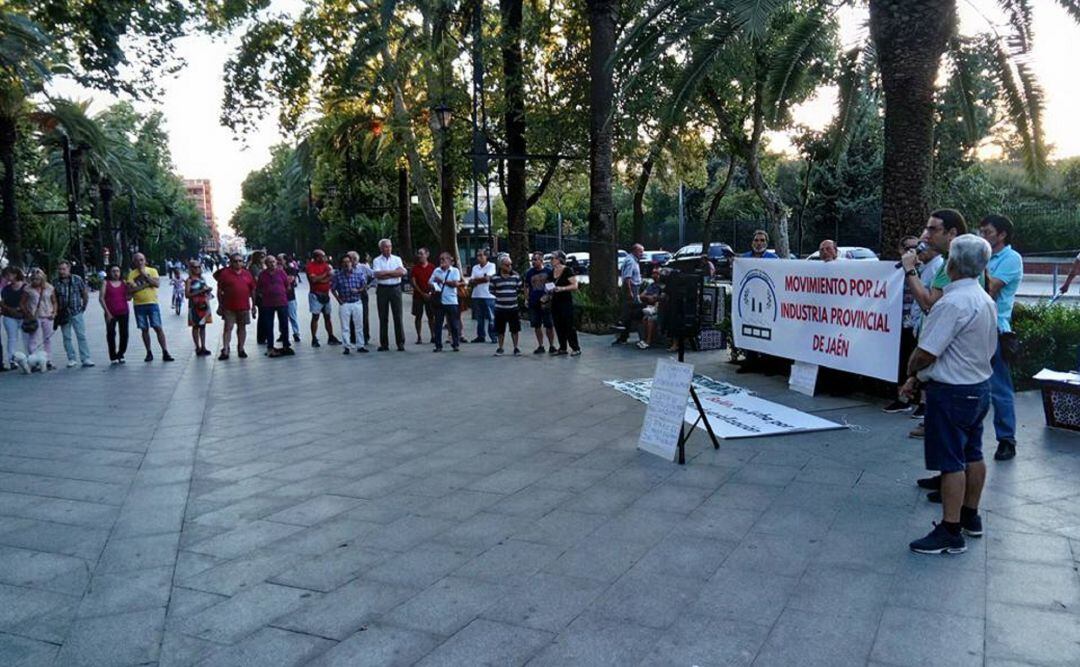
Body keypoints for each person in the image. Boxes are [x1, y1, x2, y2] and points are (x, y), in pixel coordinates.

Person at [900, 234, 997, 555]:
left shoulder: (953, 303)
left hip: (952, 392)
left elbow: (926, 352)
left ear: (952, 264)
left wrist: (913, 373)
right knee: (973, 453)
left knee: (951, 461)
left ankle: (951, 530)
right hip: (978, 388)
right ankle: (970, 517)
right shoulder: (984, 299)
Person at [980, 215, 1023, 461]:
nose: (983, 236)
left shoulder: (1011, 258)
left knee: (1000, 387)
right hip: (974, 328)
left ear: (1002, 234)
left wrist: (976, 263)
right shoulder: (983, 256)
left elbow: (990, 288)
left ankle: (1006, 439)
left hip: (996, 328)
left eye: (987, 232)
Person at [883, 236, 922, 413]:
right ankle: (902, 398)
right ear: (901, 249)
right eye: (908, 248)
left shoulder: (926, 269)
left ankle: (922, 402)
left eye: (917, 248)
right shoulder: (894, 269)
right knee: (901, 362)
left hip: (918, 324)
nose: (913, 252)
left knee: (919, 363)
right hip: (898, 323)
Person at [127, 253, 174, 362]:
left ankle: (165, 351)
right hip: (139, 305)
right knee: (144, 329)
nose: (140, 262)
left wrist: (145, 275)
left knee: (158, 327)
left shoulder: (152, 271)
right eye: (137, 260)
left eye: (141, 260)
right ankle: (148, 352)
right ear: (134, 262)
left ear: (145, 260)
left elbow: (157, 284)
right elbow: (130, 290)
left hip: (152, 303)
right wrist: (147, 284)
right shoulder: (131, 274)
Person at [214, 253, 257, 360]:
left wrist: (254, 306)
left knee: (242, 328)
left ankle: (241, 348)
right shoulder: (225, 274)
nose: (238, 263)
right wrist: (220, 305)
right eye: (235, 261)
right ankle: (226, 349)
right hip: (229, 306)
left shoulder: (247, 274)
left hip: (244, 306)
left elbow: (252, 290)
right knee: (228, 328)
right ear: (231, 262)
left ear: (243, 262)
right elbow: (219, 290)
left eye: (240, 261)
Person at [54, 260, 94, 368]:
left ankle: (86, 358)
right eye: (60, 269)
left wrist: (84, 306)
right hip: (63, 313)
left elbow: (84, 293)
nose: (62, 271)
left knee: (81, 335)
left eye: (64, 269)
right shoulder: (56, 282)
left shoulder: (77, 279)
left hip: (76, 311)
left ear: (69, 269)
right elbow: (54, 298)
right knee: (67, 337)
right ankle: (71, 358)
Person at [373, 239, 407, 351]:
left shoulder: (397, 259)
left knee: (398, 316)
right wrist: (393, 273)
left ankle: (400, 342)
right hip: (382, 289)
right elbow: (377, 275)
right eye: (385, 247)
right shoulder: (377, 260)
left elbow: (402, 273)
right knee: (383, 317)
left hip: (395, 288)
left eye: (389, 246)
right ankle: (384, 343)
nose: (388, 248)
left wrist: (386, 273)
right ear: (381, 248)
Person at [331, 254, 369, 355]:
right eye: (344, 262)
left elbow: (364, 285)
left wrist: (358, 290)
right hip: (345, 303)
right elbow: (333, 289)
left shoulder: (358, 273)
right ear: (341, 264)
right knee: (345, 326)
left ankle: (360, 345)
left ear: (351, 262)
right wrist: (338, 300)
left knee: (359, 325)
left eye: (348, 261)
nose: (346, 264)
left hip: (357, 302)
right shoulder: (338, 275)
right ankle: (347, 346)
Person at [21, 268, 58, 370]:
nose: (34, 281)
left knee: (47, 339)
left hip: (48, 316)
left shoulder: (49, 288)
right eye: (33, 279)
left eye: (37, 279)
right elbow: (22, 303)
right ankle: (33, 360)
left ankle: (48, 360)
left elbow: (54, 301)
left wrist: (54, 312)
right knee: (33, 340)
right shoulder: (27, 289)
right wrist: (27, 313)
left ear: (42, 278)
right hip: (34, 317)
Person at [257, 255, 293, 357]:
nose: (272, 264)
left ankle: (286, 345)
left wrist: (281, 293)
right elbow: (258, 288)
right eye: (269, 262)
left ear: (276, 263)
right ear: (266, 264)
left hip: (282, 302)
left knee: (284, 324)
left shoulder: (281, 272)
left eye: (273, 262)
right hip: (268, 304)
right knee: (269, 325)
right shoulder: (262, 274)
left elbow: (287, 285)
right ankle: (270, 346)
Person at [305, 249, 340, 347]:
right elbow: (313, 279)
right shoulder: (310, 266)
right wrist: (325, 275)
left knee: (327, 316)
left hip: (325, 293)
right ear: (317, 257)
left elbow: (331, 277)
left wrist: (322, 279)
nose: (324, 258)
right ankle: (314, 338)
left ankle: (331, 336)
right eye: (322, 256)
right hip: (315, 294)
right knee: (315, 316)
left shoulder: (326, 265)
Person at [550, 250, 582, 356]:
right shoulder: (552, 272)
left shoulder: (567, 270)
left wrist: (562, 288)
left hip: (565, 301)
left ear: (559, 260)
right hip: (555, 302)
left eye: (552, 258)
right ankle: (562, 347)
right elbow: (549, 285)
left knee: (569, 325)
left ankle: (575, 347)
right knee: (558, 325)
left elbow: (574, 285)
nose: (551, 260)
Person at [490, 253, 523, 356]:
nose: (509, 267)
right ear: (501, 265)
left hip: (513, 307)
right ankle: (500, 347)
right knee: (500, 329)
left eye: (510, 265)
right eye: (506, 265)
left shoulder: (516, 276)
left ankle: (516, 347)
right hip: (500, 308)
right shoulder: (495, 278)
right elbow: (491, 290)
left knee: (515, 329)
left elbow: (519, 289)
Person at [429, 251, 462, 352]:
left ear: (449, 260)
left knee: (453, 324)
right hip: (439, 301)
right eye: (440, 259)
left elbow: (455, 283)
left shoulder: (454, 271)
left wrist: (442, 281)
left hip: (451, 301)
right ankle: (438, 345)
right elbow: (430, 281)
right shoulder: (436, 270)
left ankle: (455, 343)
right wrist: (433, 285)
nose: (442, 261)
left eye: (444, 259)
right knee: (438, 324)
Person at [612, 243, 645, 344]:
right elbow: (627, 278)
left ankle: (624, 336)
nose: (642, 254)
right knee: (629, 313)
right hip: (632, 289)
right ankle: (624, 335)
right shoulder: (630, 261)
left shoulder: (633, 260)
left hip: (634, 288)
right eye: (640, 251)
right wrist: (630, 292)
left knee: (629, 313)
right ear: (634, 251)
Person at [524, 251, 555, 354]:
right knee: (537, 325)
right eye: (532, 259)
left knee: (549, 325)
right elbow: (527, 286)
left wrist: (548, 297)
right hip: (534, 301)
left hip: (546, 302)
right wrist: (526, 298)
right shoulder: (529, 273)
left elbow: (552, 286)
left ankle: (552, 345)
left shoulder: (548, 271)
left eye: (535, 259)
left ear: (541, 260)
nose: (533, 261)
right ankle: (540, 345)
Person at [100, 265, 130, 363]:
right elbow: (101, 298)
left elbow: (129, 297)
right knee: (111, 334)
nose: (116, 273)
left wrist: (132, 290)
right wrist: (107, 313)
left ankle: (121, 353)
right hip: (110, 313)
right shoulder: (106, 283)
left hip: (124, 311)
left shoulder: (124, 282)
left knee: (124, 334)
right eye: (113, 271)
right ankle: (113, 356)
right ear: (109, 272)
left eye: (117, 271)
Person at [185, 260, 213, 357]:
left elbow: (205, 288)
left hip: (204, 304)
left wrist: (208, 289)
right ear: (191, 268)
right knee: (195, 326)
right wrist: (200, 291)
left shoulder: (202, 278)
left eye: (198, 267)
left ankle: (204, 346)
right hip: (194, 305)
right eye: (195, 267)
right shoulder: (189, 280)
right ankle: (197, 347)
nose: (197, 269)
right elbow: (187, 295)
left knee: (203, 326)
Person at [469, 249, 497, 343]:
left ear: (486, 256)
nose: (479, 258)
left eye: (481, 255)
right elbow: (471, 281)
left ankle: (493, 335)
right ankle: (481, 335)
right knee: (479, 317)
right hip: (477, 295)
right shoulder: (475, 267)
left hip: (488, 295)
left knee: (491, 317)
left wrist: (477, 280)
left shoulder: (491, 266)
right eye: (478, 255)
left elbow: (488, 278)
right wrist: (480, 279)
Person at [410, 247, 437, 344]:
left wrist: (430, 293)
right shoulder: (415, 268)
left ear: (427, 254)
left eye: (422, 253)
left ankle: (433, 335)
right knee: (418, 316)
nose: (420, 256)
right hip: (418, 296)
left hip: (430, 295)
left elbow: (435, 281)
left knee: (431, 316)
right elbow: (413, 282)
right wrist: (422, 293)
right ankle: (419, 336)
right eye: (419, 253)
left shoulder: (432, 267)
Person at [1, 267, 26, 368]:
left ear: (15, 274)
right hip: (9, 316)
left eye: (8, 275)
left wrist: (22, 308)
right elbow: (2, 302)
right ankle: (12, 360)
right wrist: (8, 308)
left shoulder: (25, 287)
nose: (7, 277)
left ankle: (29, 358)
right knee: (12, 338)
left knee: (27, 338)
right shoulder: (6, 288)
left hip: (23, 315)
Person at [277, 253, 301, 343]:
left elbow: (290, 280)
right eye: (278, 260)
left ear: (285, 260)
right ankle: (282, 334)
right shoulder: (276, 270)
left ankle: (296, 333)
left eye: (280, 260)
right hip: (280, 297)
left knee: (292, 316)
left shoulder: (291, 269)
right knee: (281, 317)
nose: (278, 262)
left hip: (290, 296)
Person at [639, 265, 664, 349]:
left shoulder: (663, 286)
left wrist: (654, 298)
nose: (654, 275)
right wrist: (649, 297)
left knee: (650, 319)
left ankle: (648, 341)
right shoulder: (651, 285)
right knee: (645, 318)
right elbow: (641, 295)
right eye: (653, 273)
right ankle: (644, 339)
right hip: (650, 308)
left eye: (656, 273)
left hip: (660, 309)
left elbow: (659, 298)